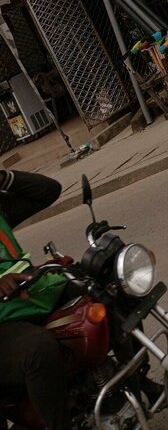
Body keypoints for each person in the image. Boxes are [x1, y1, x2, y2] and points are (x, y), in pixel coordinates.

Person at [0, 170, 69, 430]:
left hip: (19, 302)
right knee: (38, 349)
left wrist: (4, 178)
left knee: (104, 287)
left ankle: (137, 384)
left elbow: (48, 191)